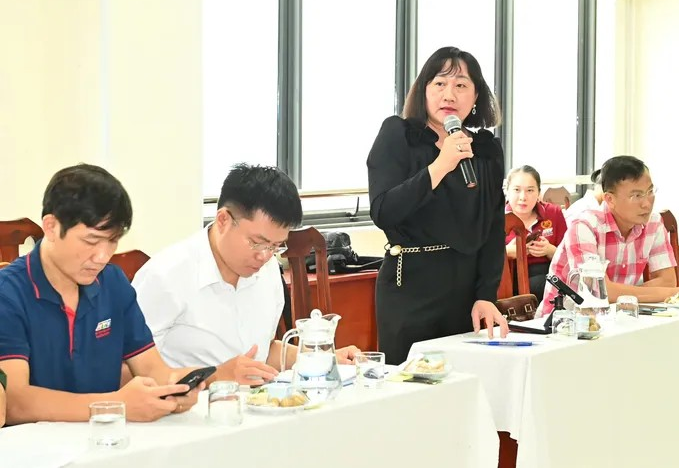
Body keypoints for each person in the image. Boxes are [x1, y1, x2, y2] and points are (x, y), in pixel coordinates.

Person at [0, 164, 204, 426]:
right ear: (50, 227)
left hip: (107, 438)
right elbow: (15, 402)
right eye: (91, 241)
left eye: (113, 241)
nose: (102, 256)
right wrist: (115, 405)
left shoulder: (113, 283)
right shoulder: (8, 293)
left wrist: (174, 389)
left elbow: (153, 370)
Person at [133, 164, 360, 385]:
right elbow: (127, 372)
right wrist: (215, 376)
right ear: (223, 220)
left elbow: (264, 352)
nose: (264, 256)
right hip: (187, 407)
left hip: (252, 405)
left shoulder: (268, 270)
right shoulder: (165, 276)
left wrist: (323, 358)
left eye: (276, 246)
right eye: (256, 242)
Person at [367, 46, 509, 365]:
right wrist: (440, 166)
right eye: (440, 83)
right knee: (410, 383)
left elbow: (493, 228)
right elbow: (384, 210)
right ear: (424, 90)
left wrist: (486, 295)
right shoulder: (398, 135)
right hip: (410, 288)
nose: (449, 94)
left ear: (476, 96)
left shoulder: (486, 150)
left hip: (466, 292)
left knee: (465, 381)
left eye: (461, 85)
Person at [539, 155, 679, 316]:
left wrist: (620, 295)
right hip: (565, 319)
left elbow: (668, 281)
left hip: (618, 316)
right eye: (636, 196)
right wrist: (669, 293)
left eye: (650, 192)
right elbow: (598, 292)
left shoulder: (653, 222)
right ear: (609, 199)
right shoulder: (584, 226)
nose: (647, 203)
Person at [505, 166, 567, 300]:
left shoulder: (553, 213)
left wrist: (550, 250)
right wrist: (507, 252)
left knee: (547, 282)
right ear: (507, 191)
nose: (523, 197)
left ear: (539, 192)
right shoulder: (495, 218)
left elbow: (570, 257)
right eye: (516, 190)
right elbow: (482, 259)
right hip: (509, 279)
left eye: (530, 190)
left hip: (548, 273)